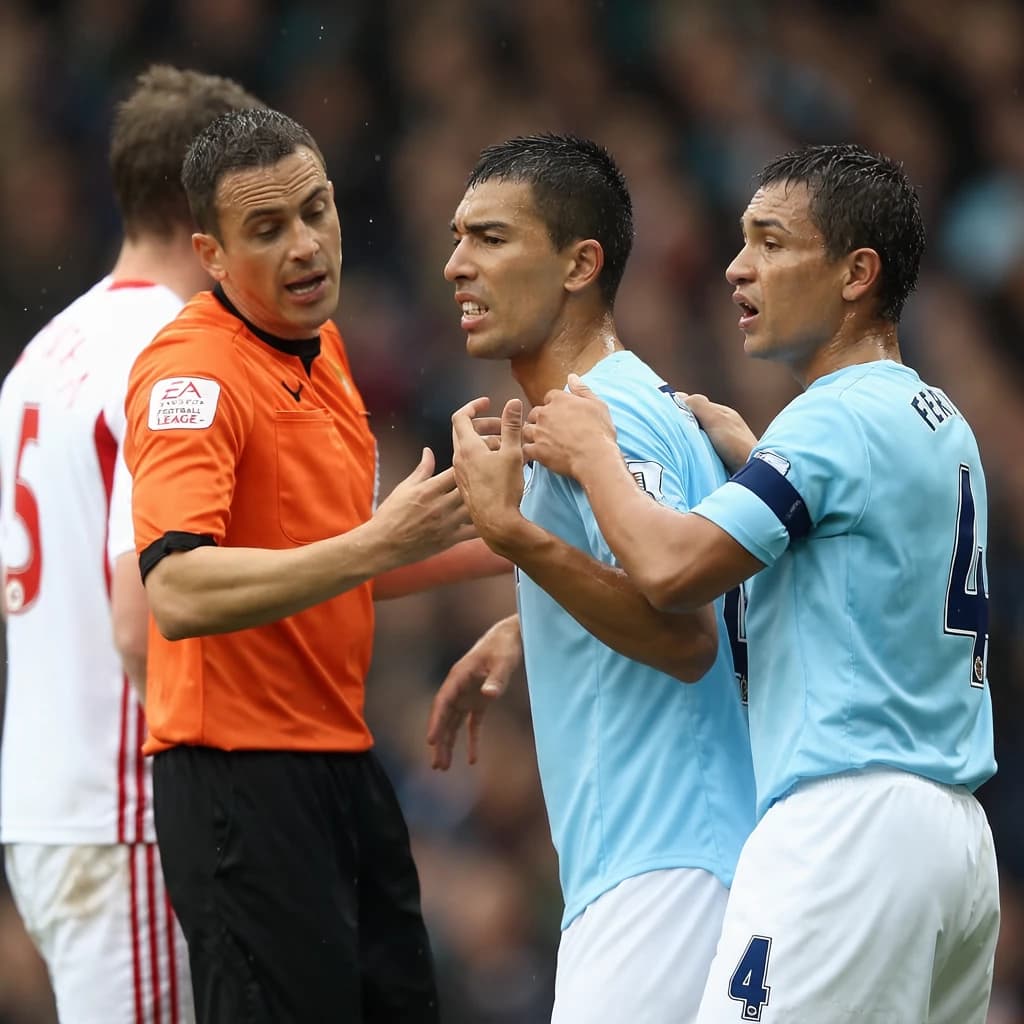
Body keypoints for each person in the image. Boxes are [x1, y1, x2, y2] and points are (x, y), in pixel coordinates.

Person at [523, 143, 1000, 1022]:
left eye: (773, 243)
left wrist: (595, 459)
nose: (740, 266)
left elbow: (667, 572)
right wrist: (754, 463)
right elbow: (852, 561)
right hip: (958, 847)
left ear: (858, 273)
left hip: (845, 831)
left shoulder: (830, 421)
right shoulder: (938, 417)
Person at [122, 106, 507, 1024]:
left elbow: (336, 568)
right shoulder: (192, 375)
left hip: (338, 756)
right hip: (235, 779)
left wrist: (512, 541)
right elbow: (174, 590)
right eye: (267, 229)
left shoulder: (323, 345)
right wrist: (382, 538)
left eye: (316, 211)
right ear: (211, 255)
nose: (305, 246)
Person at [428, 134, 756, 1023]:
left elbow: (684, 637)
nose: (457, 264)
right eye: (458, 237)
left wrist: (517, 542)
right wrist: (529, 620)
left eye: (491, 239)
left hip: (666, 873)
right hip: (673, 864)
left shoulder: (608, 421)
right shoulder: (603, 414)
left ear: (580, 263)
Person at [0, 65, 262, 1024]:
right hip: (131, 807)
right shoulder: (172, 346)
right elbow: (136, 616)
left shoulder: (42, 356)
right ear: (215, 200)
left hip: (45, 803)